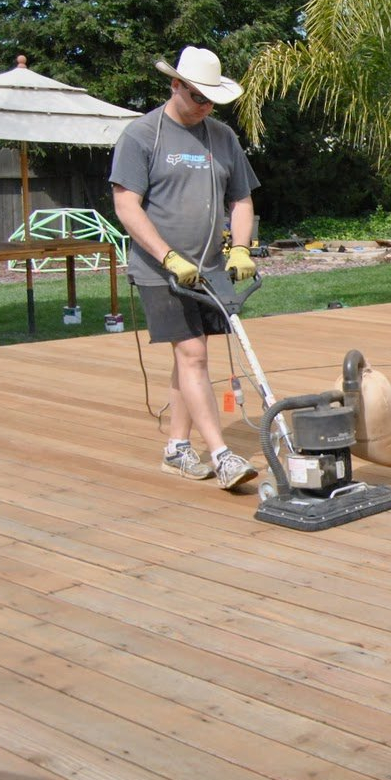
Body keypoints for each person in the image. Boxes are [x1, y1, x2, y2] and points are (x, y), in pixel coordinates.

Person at [110, 46, 261, 490]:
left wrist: (241, 249)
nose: (204, 107)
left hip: (209, 267)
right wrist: (166, 255)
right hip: (161, 269)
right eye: (197, 96)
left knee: (188, 357)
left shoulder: (222, 137)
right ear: (175, 85)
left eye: (211, 100)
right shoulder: (142, 135)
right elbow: (126, 204)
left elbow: (242, 198)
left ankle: (177, 447)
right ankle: (222, 454)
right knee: (193, 354)